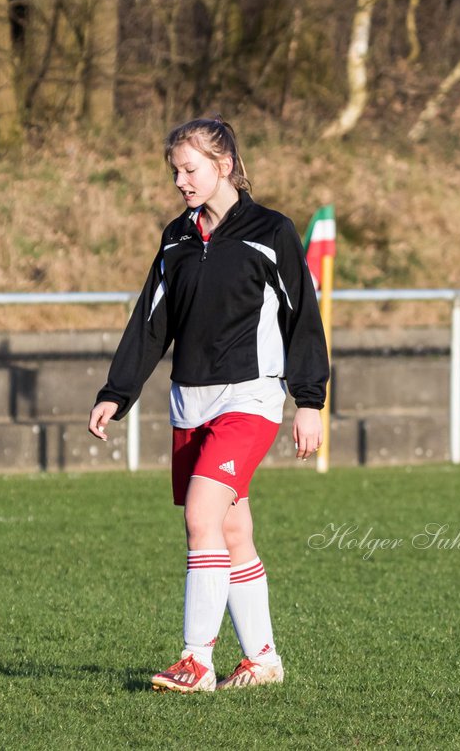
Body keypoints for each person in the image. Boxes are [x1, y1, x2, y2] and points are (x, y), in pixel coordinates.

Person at [87, 117, 329, 692]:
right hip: (189, 403)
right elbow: (151, 322)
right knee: (232, 530)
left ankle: (196, 660)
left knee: (201, 518)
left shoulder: (271, 232)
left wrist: (309, 401)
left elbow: (304, 319)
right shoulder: (175, 238)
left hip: (250, 398)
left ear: (223, 166)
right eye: (174, 170)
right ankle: (263, 659)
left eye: (189, 168)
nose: (180, 181)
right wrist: (116, 392)